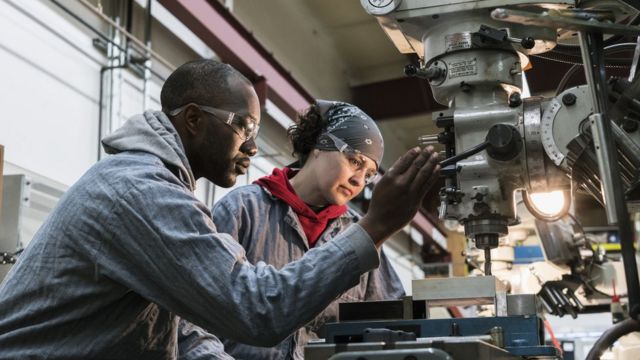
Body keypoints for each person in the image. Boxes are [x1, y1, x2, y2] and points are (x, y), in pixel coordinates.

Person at [0, 59, 440, 359]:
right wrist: (377, 225)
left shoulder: (161, 190)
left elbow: (182, 327)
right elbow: (257, 309)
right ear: (193, 119)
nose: (251, 145)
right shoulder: (140, 192)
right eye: (243, 127)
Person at [211, 100, 405, 359]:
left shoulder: (361, 236)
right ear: (319, 145)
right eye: (354, 161)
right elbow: (201, 311)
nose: (359, 180)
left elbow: (392, 323)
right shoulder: (242, 211)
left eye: (369, 174)